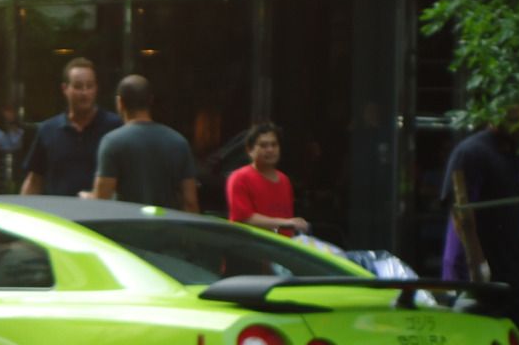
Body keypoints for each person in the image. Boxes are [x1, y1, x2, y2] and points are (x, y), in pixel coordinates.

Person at [439, 119, 519, 345]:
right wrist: (479, 266)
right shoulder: (472, 152)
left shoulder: (517, 156)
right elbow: (462, 214)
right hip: (474, 276)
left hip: (508, 272)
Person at [89, 74, 199, 212]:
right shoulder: (178, 142)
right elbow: (190, 202)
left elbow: (101, 199)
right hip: (168, 229)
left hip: (127, 230)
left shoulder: (112, 142)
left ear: (120, 103)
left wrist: (88, 198)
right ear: (150, 100)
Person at [20, 57, 122, 196]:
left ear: (96, 88)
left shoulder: (114, 127)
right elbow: (34, 180)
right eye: (78, 86)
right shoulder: (48, 130)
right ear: (65, 88)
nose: (85, 92)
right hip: (58, 215)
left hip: (102, 215)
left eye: (89, 86)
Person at [226, 122, 309, 235]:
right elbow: (244, 218)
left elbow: (287, 222)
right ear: (249, 150)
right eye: (263, 145)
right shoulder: (239, 178)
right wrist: (287, 223)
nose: (270, 150)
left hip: (281, 249)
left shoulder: (284, 180)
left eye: (274, 145)